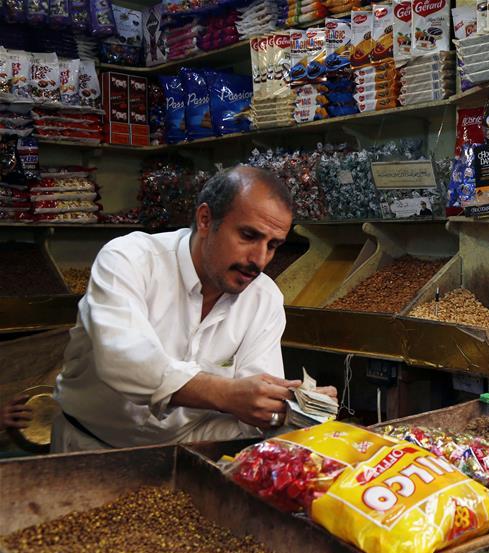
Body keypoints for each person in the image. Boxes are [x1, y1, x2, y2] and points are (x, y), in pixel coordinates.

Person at [50, 166, 337, 452]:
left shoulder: (264, 298)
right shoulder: (129, 260)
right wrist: (224, 393)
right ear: (205, 220)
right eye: (248, 236)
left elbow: (254, 409)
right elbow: (124, 360)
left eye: (273, 245)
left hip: (188, 448)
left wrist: (297, 405)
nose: (259, 260)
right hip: (88, 445)